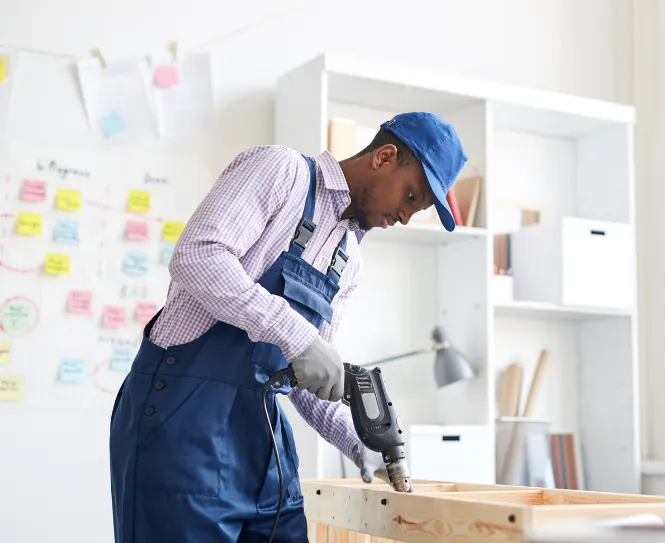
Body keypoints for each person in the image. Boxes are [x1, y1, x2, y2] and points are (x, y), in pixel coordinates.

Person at [108, 112, 467, 543]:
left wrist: (359, 444)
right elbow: (198, 256)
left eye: (418, 208)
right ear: (385, 157)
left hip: (264, 450)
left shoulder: (349, 260)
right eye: (411, 195)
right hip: (183, 432)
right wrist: (297, 335)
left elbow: (307, 379)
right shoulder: (283, 172)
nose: (406, 216)